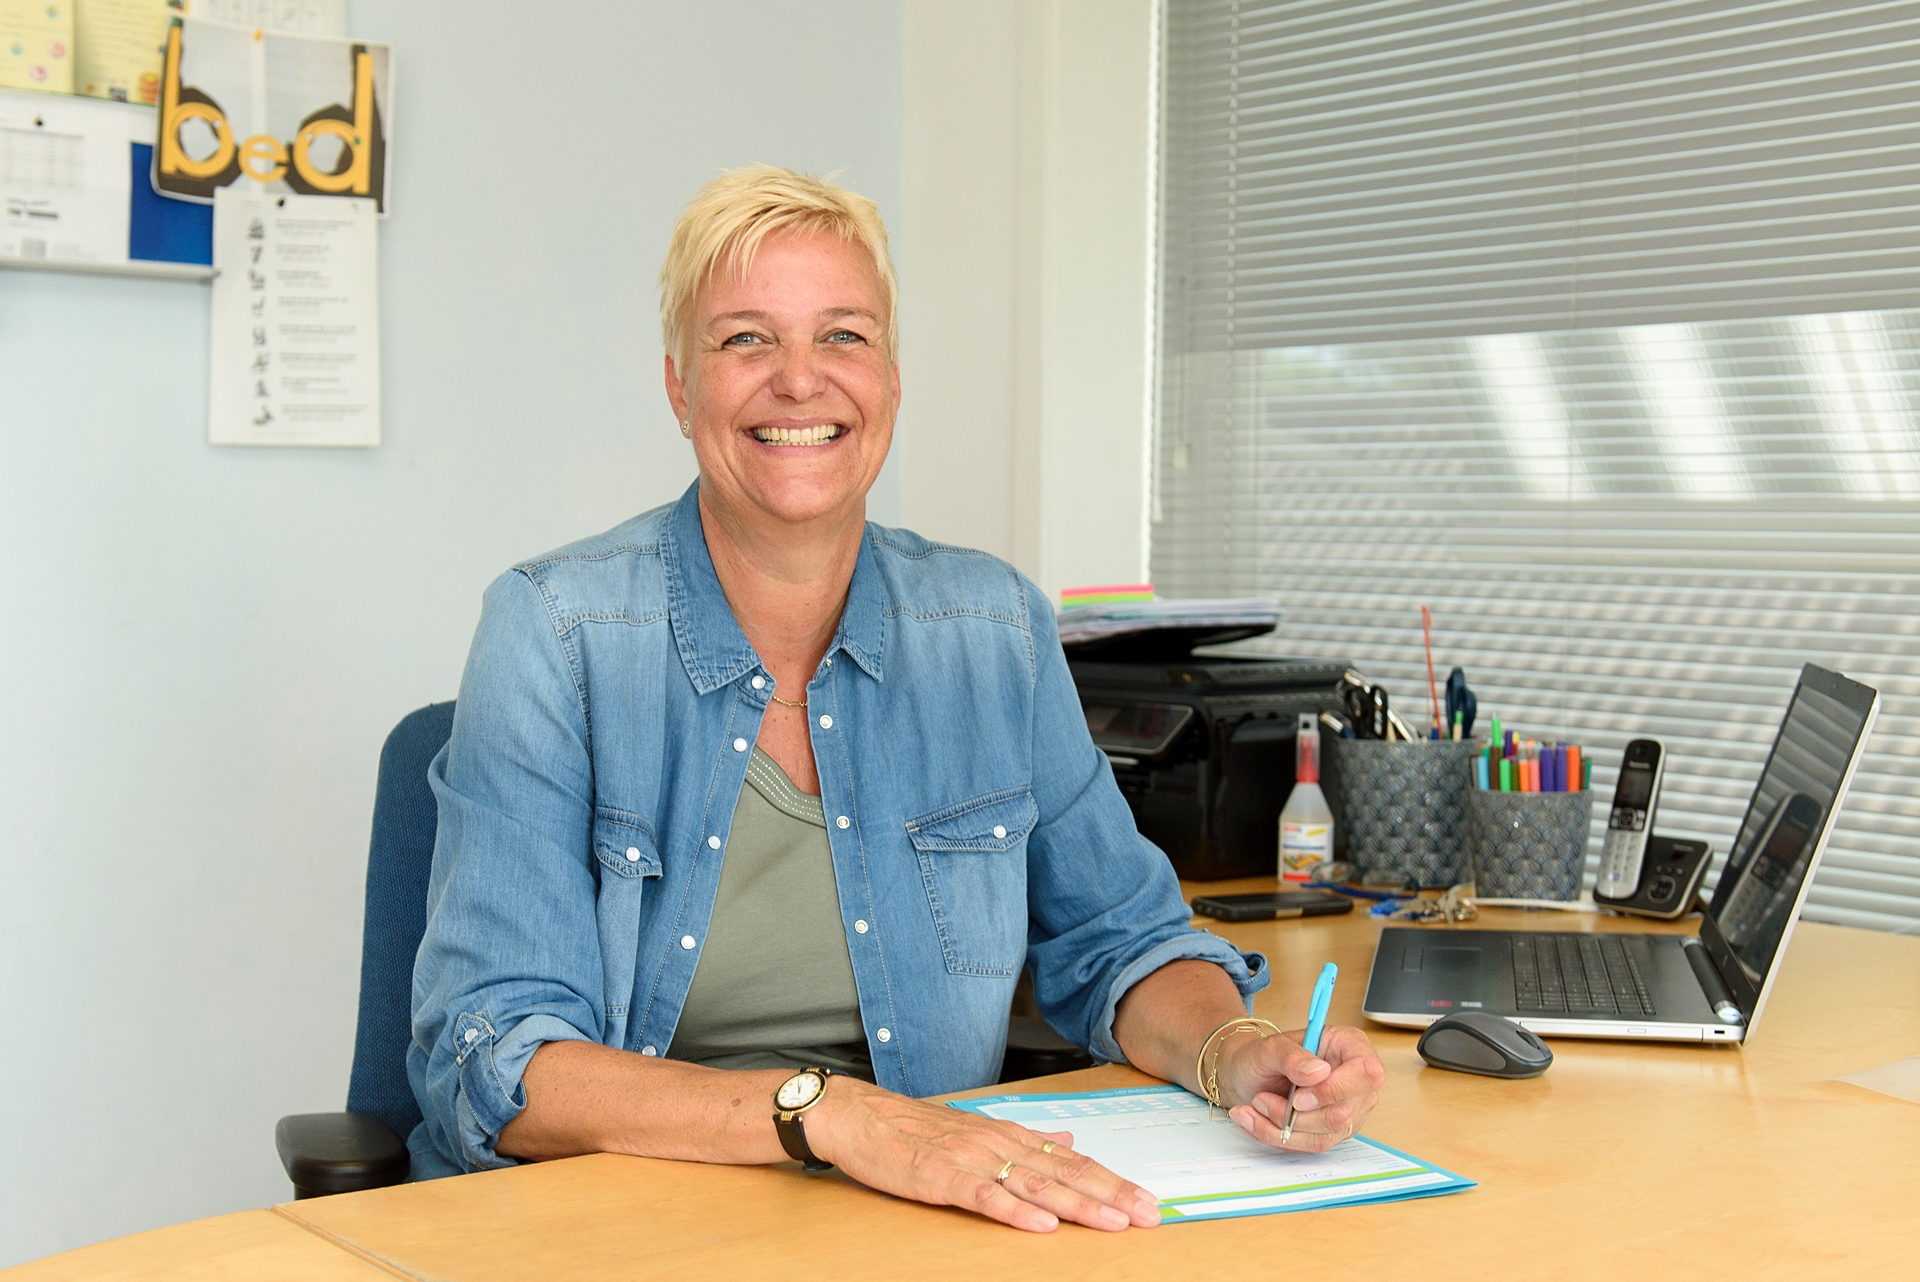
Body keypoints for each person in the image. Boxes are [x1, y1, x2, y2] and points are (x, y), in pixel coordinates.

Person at [408, 165, 1385, 1233]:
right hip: (617, 1218)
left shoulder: (993, 629)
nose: (799, 381)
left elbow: (1120, 938)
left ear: (891, 379)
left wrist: (1234, 1053)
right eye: (745, 339)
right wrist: (828, 1114)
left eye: (844, 335)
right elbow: (495, 1056)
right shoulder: (556, 631)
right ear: (681, 388)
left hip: (916, 1212)